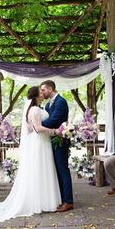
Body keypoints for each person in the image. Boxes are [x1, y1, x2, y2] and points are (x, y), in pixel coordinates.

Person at [0, 86, 61, 222]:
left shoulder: (35, 109)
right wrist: (56, 131)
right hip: (40, 142)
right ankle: (40, 202)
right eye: (41, 92)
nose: (43, 94)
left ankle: (42, 200)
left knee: (41, 170)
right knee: (40, 170)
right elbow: (37, 128)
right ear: (36, 96)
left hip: (41, 142)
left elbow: (30, 128)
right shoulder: (35, 109)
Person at [40, 80, 74, 212]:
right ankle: (61, 198)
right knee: (56, 170)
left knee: (63, 169)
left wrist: (38, 126)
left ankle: (68, 201)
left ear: (50, 89)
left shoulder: (61, 102)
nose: (42, 93)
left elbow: (54, 120)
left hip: (60, 140)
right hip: (52, 139)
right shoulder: (49, 103)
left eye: (43, 90)